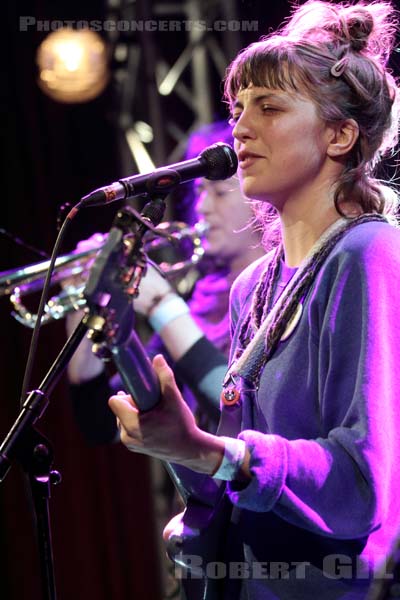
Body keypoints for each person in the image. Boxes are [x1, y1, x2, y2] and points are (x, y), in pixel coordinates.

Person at [107, 1, 400, 598]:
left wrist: (209, 451)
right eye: (239, 108)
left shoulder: (367, 252)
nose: (240, 127)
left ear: (341, 135)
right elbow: (240, 475)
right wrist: (181, 447)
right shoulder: (254, 288)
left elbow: (358, 485)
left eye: (268, 107)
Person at [66, 121, 265, 442]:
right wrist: (87, 302)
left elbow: (245, 419)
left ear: (260, 200)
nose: (201, 208)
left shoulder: (279, 291)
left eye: (218, 192)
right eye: (199, 192)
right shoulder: (200, 303)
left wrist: (163, 306)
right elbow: (101, 423)